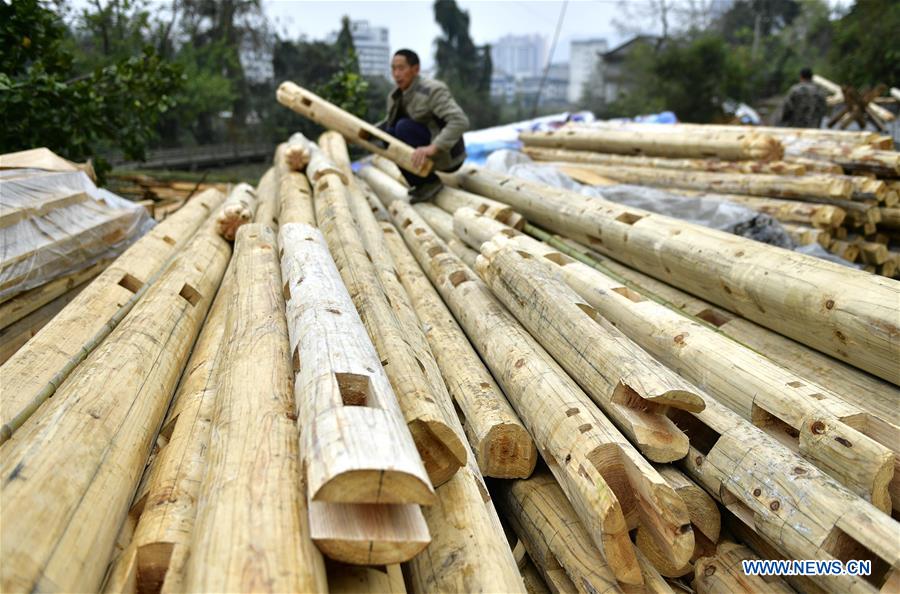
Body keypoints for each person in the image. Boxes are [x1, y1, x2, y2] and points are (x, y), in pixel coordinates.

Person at [376, 49, 469, 203]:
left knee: (403, 127)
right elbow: (388, 124)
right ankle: (423, 183)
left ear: (415, 69)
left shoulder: (433, 90)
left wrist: (433, 148)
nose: (396, 74)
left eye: (401, 68)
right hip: (423, 151)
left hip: (447, 156)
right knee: (389, 134)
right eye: (393, 69)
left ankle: (429, 182)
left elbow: (460, 121)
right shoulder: (395, 96)